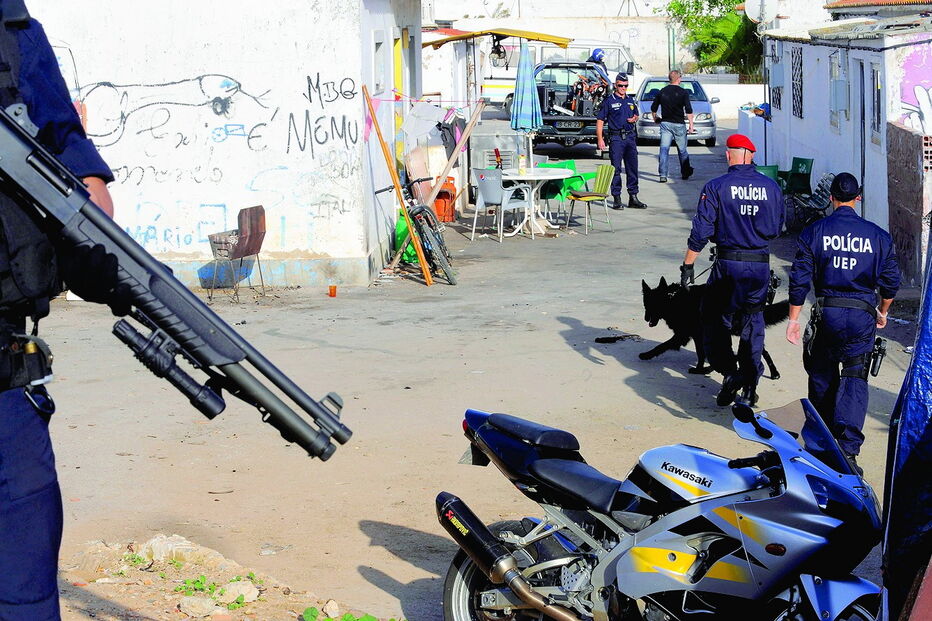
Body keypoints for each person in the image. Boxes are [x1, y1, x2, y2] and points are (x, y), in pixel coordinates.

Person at [0, 3, 127, 618]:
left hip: (5, 373)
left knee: (24, 584)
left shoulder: (13, 30)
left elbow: (63, 141)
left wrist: (98, 247)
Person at [786, 172, 899, 473]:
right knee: (854, 379)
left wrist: (794, 319)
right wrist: (883, 311)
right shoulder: (877, 235)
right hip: (862, 316)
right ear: (857, 197)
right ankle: (847, 451)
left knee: (822, 375)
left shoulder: (816, 231)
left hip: (827, 314)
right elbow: (890, 283)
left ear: (832, 199)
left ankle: (821, 447)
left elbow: (799, 278)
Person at [680, 134, 783, 407]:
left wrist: (688, 264)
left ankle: (730, 373)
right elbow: (775, 228)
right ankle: (749, 385)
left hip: (728, 265)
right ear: (751, 155)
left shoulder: (717, 186)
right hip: (760, 264)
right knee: (753, 323)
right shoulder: (771, 188)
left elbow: (701, 230)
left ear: (730, 155)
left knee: (714, 318)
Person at [596, 73, 647, 210]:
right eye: (620, 86)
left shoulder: (630, 100)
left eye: (625, 86)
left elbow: (636, 114)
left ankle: (633, 197)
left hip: (630, 138)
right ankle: (617, 198)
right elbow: (600, 120)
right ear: (615, 85)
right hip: (616, 138)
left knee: (632, 169)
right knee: (616, 169)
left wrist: (635, 118)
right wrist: (600, 139)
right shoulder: (609, 101)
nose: (623, 88)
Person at [650, 70, 694, 183]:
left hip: (665, 124)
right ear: (679, 79)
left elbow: (653, 108)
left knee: (664, 149)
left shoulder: (662, 92)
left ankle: (663, 175)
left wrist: (656, 119)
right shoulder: (683, 92)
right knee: (682, 150)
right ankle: (685, 172)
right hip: (679, 124)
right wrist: (691, 125)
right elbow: (689, 110)